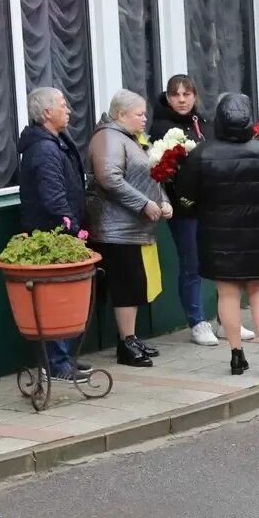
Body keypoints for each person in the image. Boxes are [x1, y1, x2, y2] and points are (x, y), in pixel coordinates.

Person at [174, 94, 259, 375]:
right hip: (257, 233)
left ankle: (237, 354)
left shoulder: (202, 153)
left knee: (228, 293)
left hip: (217, 233)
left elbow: (186, 192)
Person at [149, 75, 257, 349]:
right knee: (192, 263)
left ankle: (226, 319)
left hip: (214, 205)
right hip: (184, 207)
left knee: (222, 262)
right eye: (176, 95)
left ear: (195, 96)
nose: (182, 100)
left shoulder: (205, 124)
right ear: (168, 98)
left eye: (187, 94)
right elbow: (160, 171)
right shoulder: (162, 127)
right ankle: (197, 321)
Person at [87, 90, 170, 368]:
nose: (144, 119)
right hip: (115, 230)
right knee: (125, 287)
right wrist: (144, 204)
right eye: (139, 114)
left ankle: (131, 338)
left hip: (134, 229)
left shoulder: (131, 139)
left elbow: (151, 178)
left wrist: (164, 201)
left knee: (134, 286)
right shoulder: (108, 137)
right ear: (121, 115)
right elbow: (109, 178)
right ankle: (125, 344)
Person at [16, 87, 91, 383]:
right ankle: (57, 364)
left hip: (60, 231)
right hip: (51, 234)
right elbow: (53, 198)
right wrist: (73, 228)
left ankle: (63, 358)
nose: (69, 109)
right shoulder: (45, 149)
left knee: (61, 298)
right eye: (62, 105)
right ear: (47, 113)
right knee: (54, 300)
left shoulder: (56, 141)